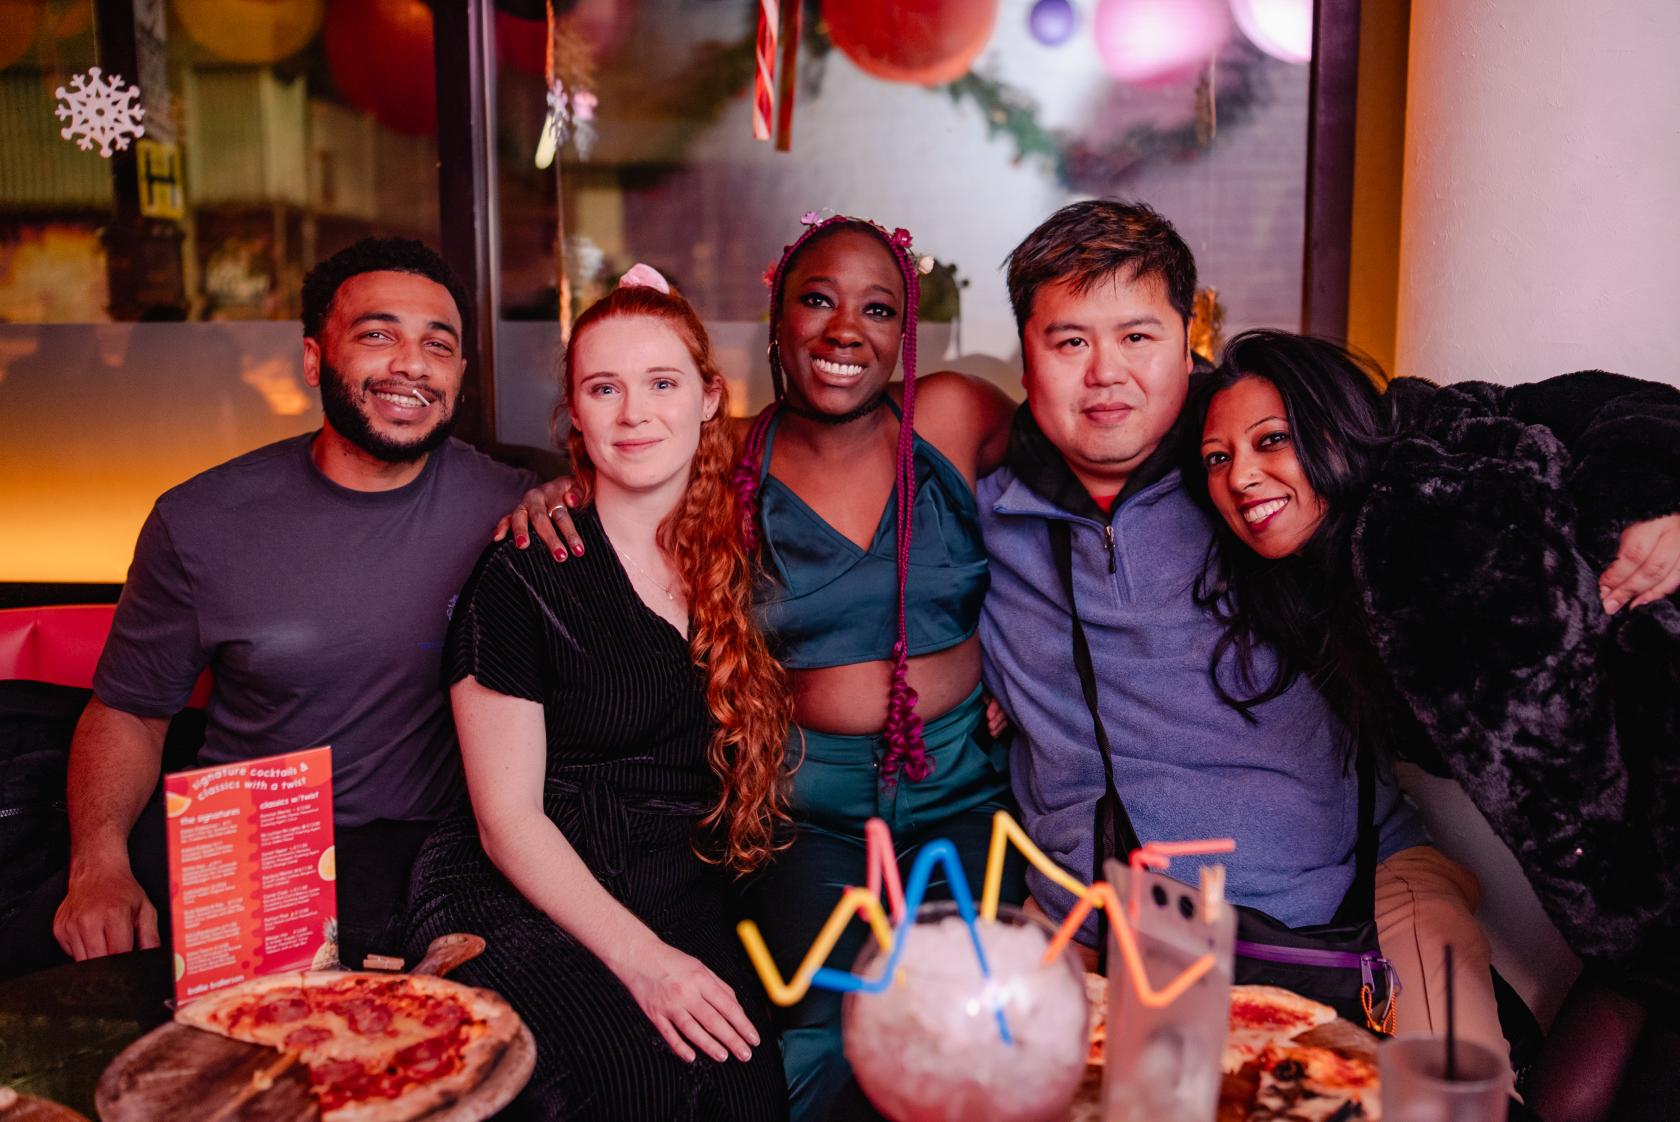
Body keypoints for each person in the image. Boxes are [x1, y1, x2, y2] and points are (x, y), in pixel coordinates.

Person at [504, 213, 1027, 1122]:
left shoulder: (954, 416)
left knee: (975, 1031)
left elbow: (1087, 483)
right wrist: (558, 487)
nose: (844, 329)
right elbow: (629, 469)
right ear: (776, 321)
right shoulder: (728, 459)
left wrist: (1028, 674)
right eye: (816, 301)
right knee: (820, 1040)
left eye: (877, 308)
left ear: (905, 333)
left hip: (966, 791)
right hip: (805, 805)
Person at [972, 201, 1514, 1066]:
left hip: (1358, 894)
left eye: (1138, 337)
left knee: (1456, 1087)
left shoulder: (1262, 468)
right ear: (1026, 357)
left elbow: (1512, 430)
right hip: (1116, 923)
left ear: (1188, 340)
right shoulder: (983, 515)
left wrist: (1646, 494)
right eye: (1069, 341)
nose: (1105, 372)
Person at [1189, 329, 1680, 1112]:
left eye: (1271, 440)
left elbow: (1628, 409)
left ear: (1330, 424)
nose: (1242, 475)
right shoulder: (1313, 597)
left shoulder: (1434, 462)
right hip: (1638, 870)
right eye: (1217, 459)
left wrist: (1664, 508)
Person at [47, 237, 535, 970]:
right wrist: (100, 866)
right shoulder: (201, 520)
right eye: (378, 335)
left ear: (459, 375)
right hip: (244, 851)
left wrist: (570, 492)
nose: (411, 364)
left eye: (438, 346)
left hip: (431, 862)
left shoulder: (515, 508)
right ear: (314, 360)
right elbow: (130, 713)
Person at [402, 268, 789, 1121]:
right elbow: (508, 823)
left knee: (747, 1093)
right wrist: (643, 960)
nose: (634, 413)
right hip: (519, 892)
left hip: (668, 884)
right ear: (575, 413)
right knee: (632, 1086)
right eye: (603, 388)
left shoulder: (739, 550)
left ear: (709, 397)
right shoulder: (525, 571)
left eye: (661, 383)